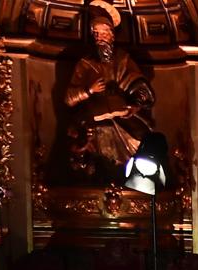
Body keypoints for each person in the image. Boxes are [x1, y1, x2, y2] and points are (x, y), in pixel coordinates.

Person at [63, 2, 156, 178]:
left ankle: (134, 175)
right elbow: (68, 99)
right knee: (86, 147)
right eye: (96, 34)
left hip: (122, 117)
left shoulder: (123, 59)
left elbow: (140, 86)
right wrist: (89, 90)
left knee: (142, 138)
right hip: (93, 119)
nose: (99, 37)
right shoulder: (85, 64)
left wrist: (134, 106)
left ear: (112, 35)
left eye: (103, 33)